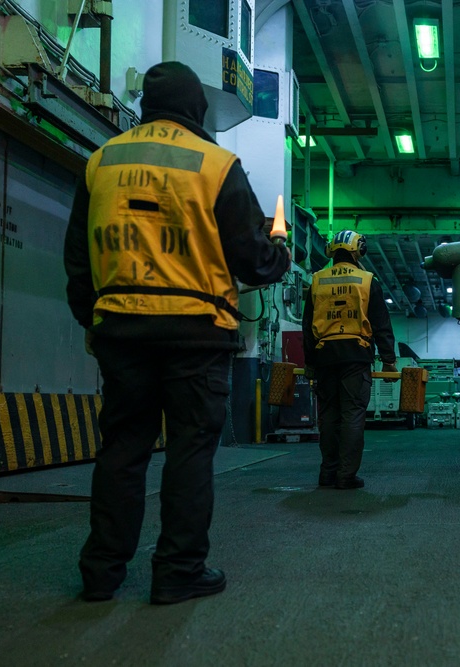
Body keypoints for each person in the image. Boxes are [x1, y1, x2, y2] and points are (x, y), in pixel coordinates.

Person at [63, 61, 290, 605]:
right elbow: (253, 261)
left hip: (123, 332)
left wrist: (95, 319)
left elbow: (78, 258)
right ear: (198, 108)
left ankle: (101, 572)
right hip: (196, 336)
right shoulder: (214, 164)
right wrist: (277, 255)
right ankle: (178, 571)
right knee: (189, 454)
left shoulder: (102, 162)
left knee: (122, 451)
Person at [302, 229, 398, 490]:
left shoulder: (317, 280)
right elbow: (381, 323)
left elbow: (307, 326)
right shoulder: (367, 280)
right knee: (353, 415)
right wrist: (388, 360)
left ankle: (327, 473)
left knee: (329, 416)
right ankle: (346, 476)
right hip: (356, 356)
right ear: (359, 250)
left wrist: (310, 363)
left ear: (331, 251)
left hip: (324, 356)